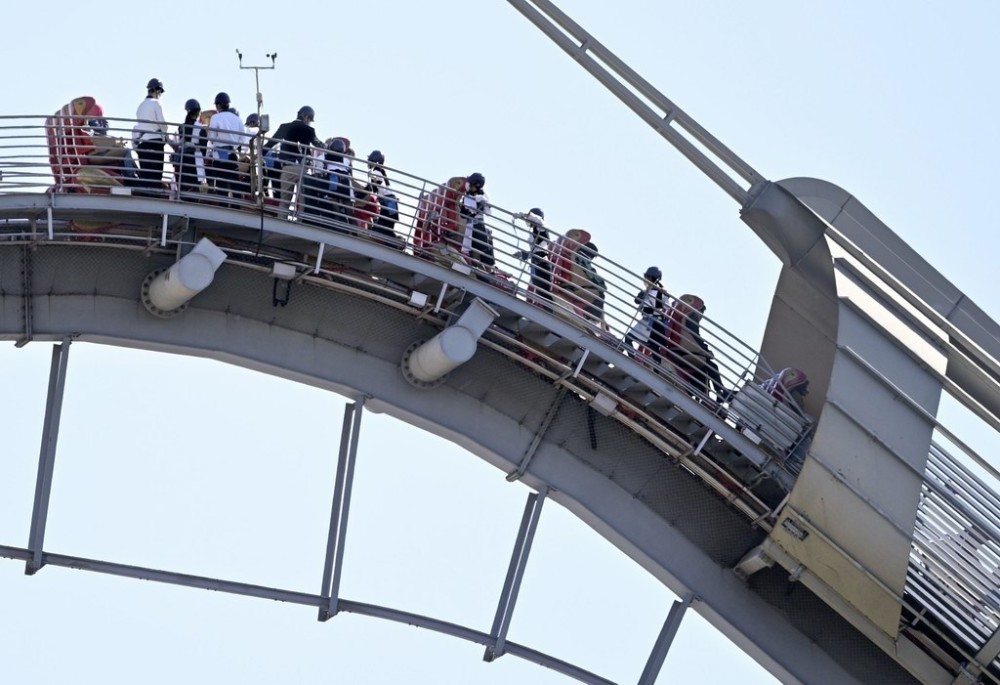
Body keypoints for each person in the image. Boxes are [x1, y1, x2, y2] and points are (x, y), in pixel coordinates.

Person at [664, 294, 732, 404]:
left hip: (673, 350)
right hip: (681, 352)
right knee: (710, 365)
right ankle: (721, 392)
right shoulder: (691, 316)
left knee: (702, 368)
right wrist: (706, 351)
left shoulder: (675, 314)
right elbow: (695, 336)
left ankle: (708, 396)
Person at [264, 106, 323, 216]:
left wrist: (259, 153)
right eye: (309, 119)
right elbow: (317, 143)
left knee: (285, 200)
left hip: (288, 167)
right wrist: (328, 147)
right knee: (303, 201)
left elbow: (271, 143)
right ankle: (301, 224)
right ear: (305, 117)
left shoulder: (285, 127)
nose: (309, 122)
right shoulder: (309, 130)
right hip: (303, 169)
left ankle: (281, 222)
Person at [206, 92, 247, 205]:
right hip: (232, 154)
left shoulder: (215, 117)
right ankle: (237, 206)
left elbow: (212, 138)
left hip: (219, 155)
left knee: (221, 184)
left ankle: (223, 206)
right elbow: (242, 139)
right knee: (234, 182)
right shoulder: (237, 119)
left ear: (218, 105)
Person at [624, 266, 669, 363]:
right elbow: (637, 300)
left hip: (654, 322)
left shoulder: (661, 292)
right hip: (646, 321)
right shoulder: (647, 290)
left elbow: (666, 307)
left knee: (654, 348)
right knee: (630, 339)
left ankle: (656, 370)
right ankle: (632, 360)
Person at [133, 78, 168, 193]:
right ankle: (155, 198)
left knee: (146, 174)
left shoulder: (140, 106)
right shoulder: (156, 103)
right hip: (155, 143)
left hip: (143, 143)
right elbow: (162, 124)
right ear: (157, 91)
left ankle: (145, 197)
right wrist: (165, 137)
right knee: (156, 175)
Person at [512, 208, 552, 306]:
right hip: (535, 259)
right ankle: (542, 308)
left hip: (541, 260)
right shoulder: (534, 230)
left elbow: (537, 219)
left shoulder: (541, 226)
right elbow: (535, 249)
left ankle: (548, 310)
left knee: (544, 289)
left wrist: (523, 215)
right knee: (538, 287)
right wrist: (523, 254)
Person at [459, 172, 495, 269]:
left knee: (481, 249)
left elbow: (483, 209)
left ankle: (488, 270)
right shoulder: (468, 195)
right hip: (470, 225)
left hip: (477, 225)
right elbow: (463, 213)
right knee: (470, 248)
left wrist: (474, 208)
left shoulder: (481, 197)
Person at [173, 98, 207, 198]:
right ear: (197, 112)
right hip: (195, 162)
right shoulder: (200, 127)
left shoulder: (181, 127)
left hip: (183, 160)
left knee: (183, 188)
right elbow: (203, 148)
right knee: (194, 190)